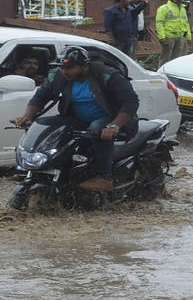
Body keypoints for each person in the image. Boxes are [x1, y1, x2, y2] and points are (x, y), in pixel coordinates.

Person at [12, 46, 139, 193]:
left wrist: (115, 126)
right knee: (43, 123)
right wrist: (27, 116)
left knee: (96, 127)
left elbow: (131, 102)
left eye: (70, 67)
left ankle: (105, 177)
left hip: (112, 120)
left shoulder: (108, 76)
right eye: (62, 68)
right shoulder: (58, 77)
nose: (65, 71)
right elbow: (40, 97)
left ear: (85, 66)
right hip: (77, 119)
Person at [156, 0, 192, 66]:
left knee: (177, 58)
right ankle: (161, 72)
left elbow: (186, 23)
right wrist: (162, 37)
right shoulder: (164, 8)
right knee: (165, 57)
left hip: (181, 36)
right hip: (169, 37)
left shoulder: (182, 9)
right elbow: (159, 23)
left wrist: (188, 37)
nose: (179, 0)